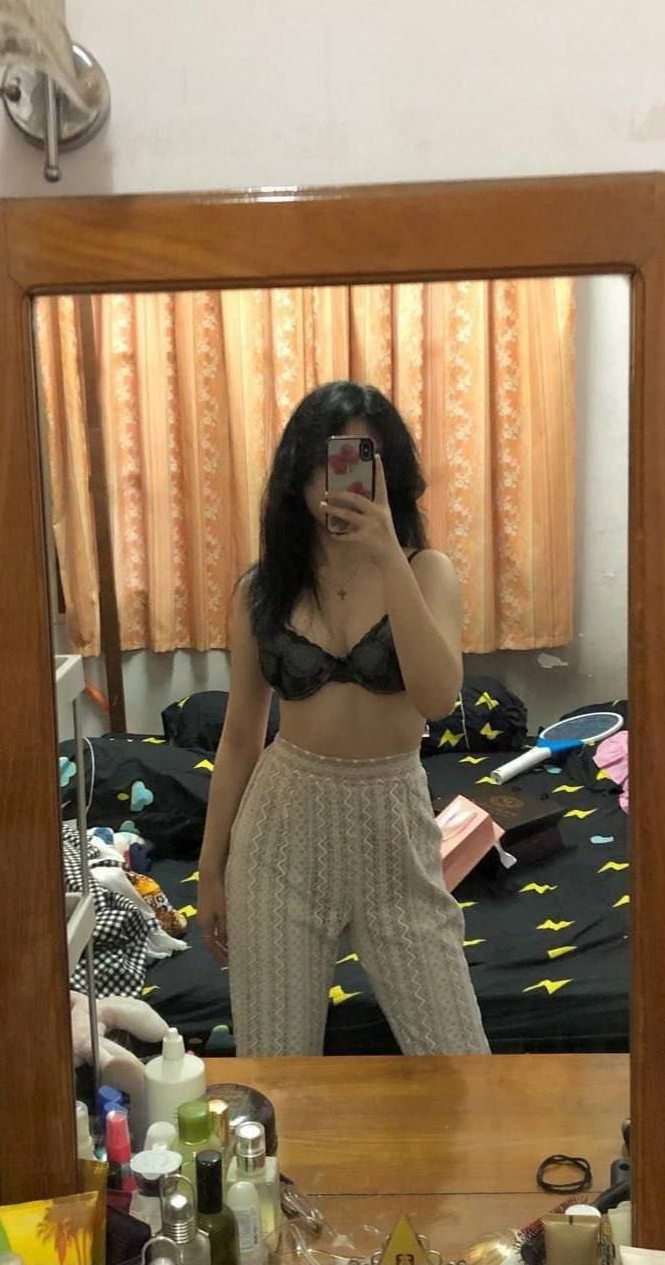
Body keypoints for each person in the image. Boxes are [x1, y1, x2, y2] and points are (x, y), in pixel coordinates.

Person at [198, 381, 489, 1057]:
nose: (341, 483)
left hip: (394, 829)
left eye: (363, 463)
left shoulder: (428, 573)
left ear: (391, 475)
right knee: (276, 1064)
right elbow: (240, 738)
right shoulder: (262, 591)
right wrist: (212, 870)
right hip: (281, 835)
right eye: (325, 463)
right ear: (298, 475)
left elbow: (437, 698)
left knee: (458, 1062)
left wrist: (388, 555)